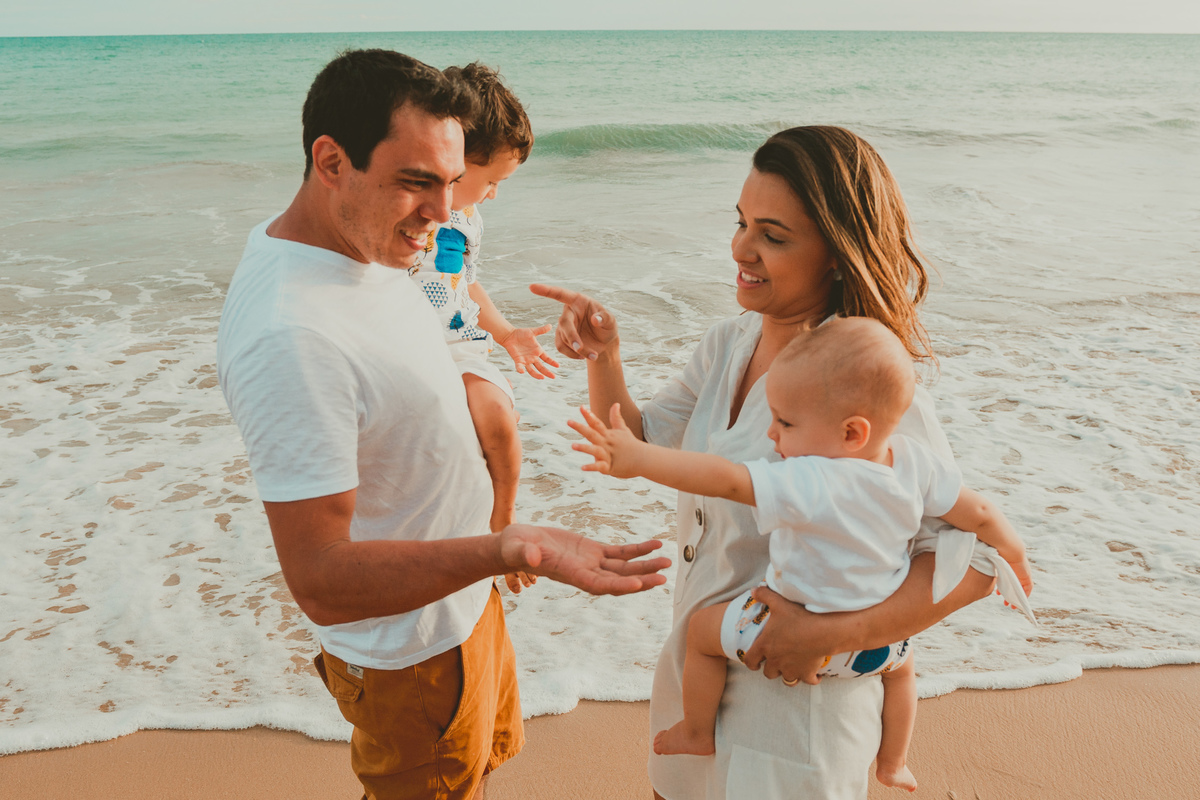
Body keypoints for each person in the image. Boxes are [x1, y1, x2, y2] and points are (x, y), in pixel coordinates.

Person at [216, 49, 670, 800]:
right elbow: (322, 580)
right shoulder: (290, 334)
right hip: (413, 653)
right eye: (417, 183)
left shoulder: (364, 240)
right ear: (330, 161)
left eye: (455, 183)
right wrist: (505, 546)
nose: (444, 214)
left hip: (466, 602)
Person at [532, 125, 1018, 800]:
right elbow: (638, 442)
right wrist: (604, 356)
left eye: (773, 234)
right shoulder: (727, 341)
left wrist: (831, 633)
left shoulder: (864, 383)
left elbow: (977, 562)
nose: (741, 248)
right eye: (741, 222)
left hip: (798, 716)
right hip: (698, 678)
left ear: (837, 254)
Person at [570, 316, 1035, 792]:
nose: (773, 435)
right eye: (742, 232)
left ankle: (695, 729)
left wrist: (825, 634)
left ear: (853, 433)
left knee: (702, 632)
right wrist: (1015, 549)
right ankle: (894, 761)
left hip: (787, 672)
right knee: (904, 671)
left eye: (785, 423)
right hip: (878, 654)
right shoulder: (906, 460)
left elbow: (727, 478)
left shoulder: (816, 468)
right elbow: (978, 513)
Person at [409, 62, 557, 569]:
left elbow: (466, 282)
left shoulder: (468, 218)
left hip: (459, 342)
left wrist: (509, 332)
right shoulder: (408, 210)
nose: (493, 193)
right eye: (491, 179)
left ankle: (504, 512)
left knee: (496, 415)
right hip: (407, 345)